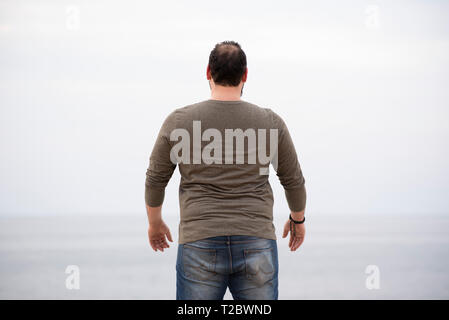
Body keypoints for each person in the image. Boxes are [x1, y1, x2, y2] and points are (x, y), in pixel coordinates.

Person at [144, 41, 307, 300]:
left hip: (199, 240)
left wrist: (154, 223)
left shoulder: (179, 121)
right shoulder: (270, 122)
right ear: (245, 75)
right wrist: (297, 219)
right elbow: (293, 181)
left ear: (208, 72)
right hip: (256, 239)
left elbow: (155, 180)